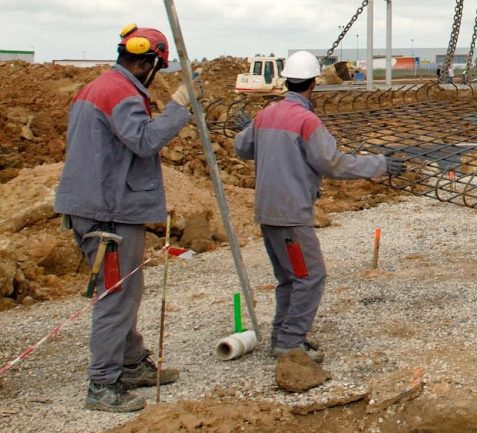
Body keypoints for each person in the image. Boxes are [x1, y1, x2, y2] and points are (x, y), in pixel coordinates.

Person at [54, 24, 194, 412]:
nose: (157, 75)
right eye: (158, 68)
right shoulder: (121, 93)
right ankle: (103, 384)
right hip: (108, 212)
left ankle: (131, 363)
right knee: (116, 295)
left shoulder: (97, 87)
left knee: (125, 290)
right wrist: (178, 109)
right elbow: (144, 140)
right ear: (149, 62)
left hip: (96, 204)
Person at [233, 51, 403, 363]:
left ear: (286, 80)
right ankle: (290, 343)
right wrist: (380, 164)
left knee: (289, 278)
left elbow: (242, 147)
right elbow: (334, 164)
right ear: (314, 83)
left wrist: (251, 128)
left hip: (268, 212)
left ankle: (281, 337)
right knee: (310, 276)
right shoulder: (305, 120)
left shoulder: (267, 114)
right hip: (291, 214)